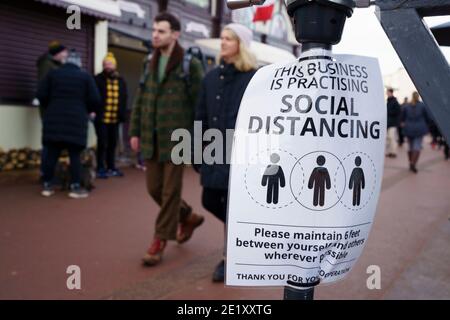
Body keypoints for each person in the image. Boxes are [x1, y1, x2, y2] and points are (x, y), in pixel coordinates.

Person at [129, 12, 204, 266]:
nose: (155, 35)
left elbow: (199, 105)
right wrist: (135, 131)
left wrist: (198, 140)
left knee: (170, 191)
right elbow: (141, 98)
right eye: (154, 30)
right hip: (152, 137)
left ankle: (159, 240)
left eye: (161, 31)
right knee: (154, 189)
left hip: (178, 139)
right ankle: (188, 217)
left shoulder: (189, 64)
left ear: (175, 34)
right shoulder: (148, 61)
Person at [195, 23, 257, 282]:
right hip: (214, 151)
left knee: (234, 206)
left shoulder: (253, 77)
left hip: (241, 154)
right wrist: (197, 152)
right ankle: (245, 233)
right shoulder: (210, 77)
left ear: (240, 45)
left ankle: (228, 258)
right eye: (222, 38)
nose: (222, 42)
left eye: (228, 39)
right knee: (209, 200)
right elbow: (200, 116)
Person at [37, 49, 101, 198]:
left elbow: (41, 94)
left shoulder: (53, 74)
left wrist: (50, 107)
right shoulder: (85, 77)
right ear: (79, 62)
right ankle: (75, 187)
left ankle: (47, 185)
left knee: (52, 153)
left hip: (54, 119)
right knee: (75, 155)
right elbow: (95, 100)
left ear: (65, 61)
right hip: (76, 120)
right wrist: (87, 109)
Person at [94, 52, 128, 178]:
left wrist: (123, 115)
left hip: (115, 118)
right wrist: (93, 110)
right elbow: (93, 96)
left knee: (113, 144)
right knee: (102, 143)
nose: (108, 66)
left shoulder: (121, 80)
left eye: (110, 64)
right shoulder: (97, 79)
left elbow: (124, 98)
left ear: (115, 66)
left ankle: (111, 167)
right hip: (101, 117)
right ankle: (100, 168)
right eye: (106, 64)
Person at [401, 92, 430, 173]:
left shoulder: (407, 106)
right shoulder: (423, 106)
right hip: (419, 128)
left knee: (410, 147)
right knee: (417, 147)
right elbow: (427, 117)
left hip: (408, 128)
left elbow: (402, 117)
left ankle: (410, 162)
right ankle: (413, 163)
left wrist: (403, 123)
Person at [386, 88, 401, 158]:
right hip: (388, 123)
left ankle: (394, 152)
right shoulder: (388, 101)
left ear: (391, 93)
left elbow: (398, 112)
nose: (387, 93)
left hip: (393, 123)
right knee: (388, 138)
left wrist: (389, 112)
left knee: (392, 138)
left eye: (388, 92)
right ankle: (390, 151)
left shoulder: (395, 102)